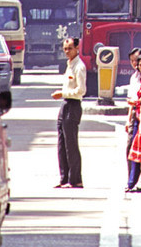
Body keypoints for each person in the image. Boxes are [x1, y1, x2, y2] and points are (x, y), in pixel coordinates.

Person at [52, 37, 86, 189]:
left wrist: (63, 93)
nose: (67, 51)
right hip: (65, 104)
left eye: (70, 48)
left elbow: (81, 90)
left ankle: (75, 179)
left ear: (77, 48)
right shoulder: (69, 65)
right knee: (61, 143)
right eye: (65, 48)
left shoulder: (79, 66)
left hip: (73, 105)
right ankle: (64, 178)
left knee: (71, 144)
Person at [124, 48, 141, 192]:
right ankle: (131, 180)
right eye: (131, 61)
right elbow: (131, 100)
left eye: (136, 60)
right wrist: (128, 119)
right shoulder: (134, 77)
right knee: (131, 148)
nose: (134, 63)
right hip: (135, 116)